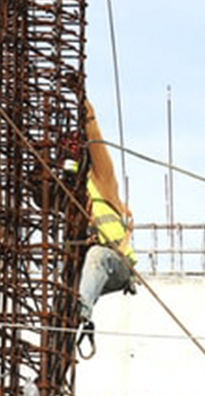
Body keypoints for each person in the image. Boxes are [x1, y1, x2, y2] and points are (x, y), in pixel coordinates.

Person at [76, 101, 137, 342]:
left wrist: (87, 112)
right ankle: (72, 312)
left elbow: (95, 142)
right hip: (92, 271)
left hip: (117, 263)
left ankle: (81, 309)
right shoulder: (74, 195)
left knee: (97, 256)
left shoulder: (101, 181)